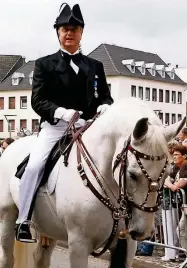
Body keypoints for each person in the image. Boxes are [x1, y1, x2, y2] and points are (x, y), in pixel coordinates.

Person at [15, 3, 113, 243]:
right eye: (64, 29)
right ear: (58, 33)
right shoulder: (44, 64)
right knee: (35, 165)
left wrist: (106, 105)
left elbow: (105, 96)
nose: (69, 33)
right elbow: (37, 100)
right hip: (55, 127)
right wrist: (61, 112)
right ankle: (24, 220)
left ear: (82, 33)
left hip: (87, 127)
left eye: (74, 29)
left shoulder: (95, 66)